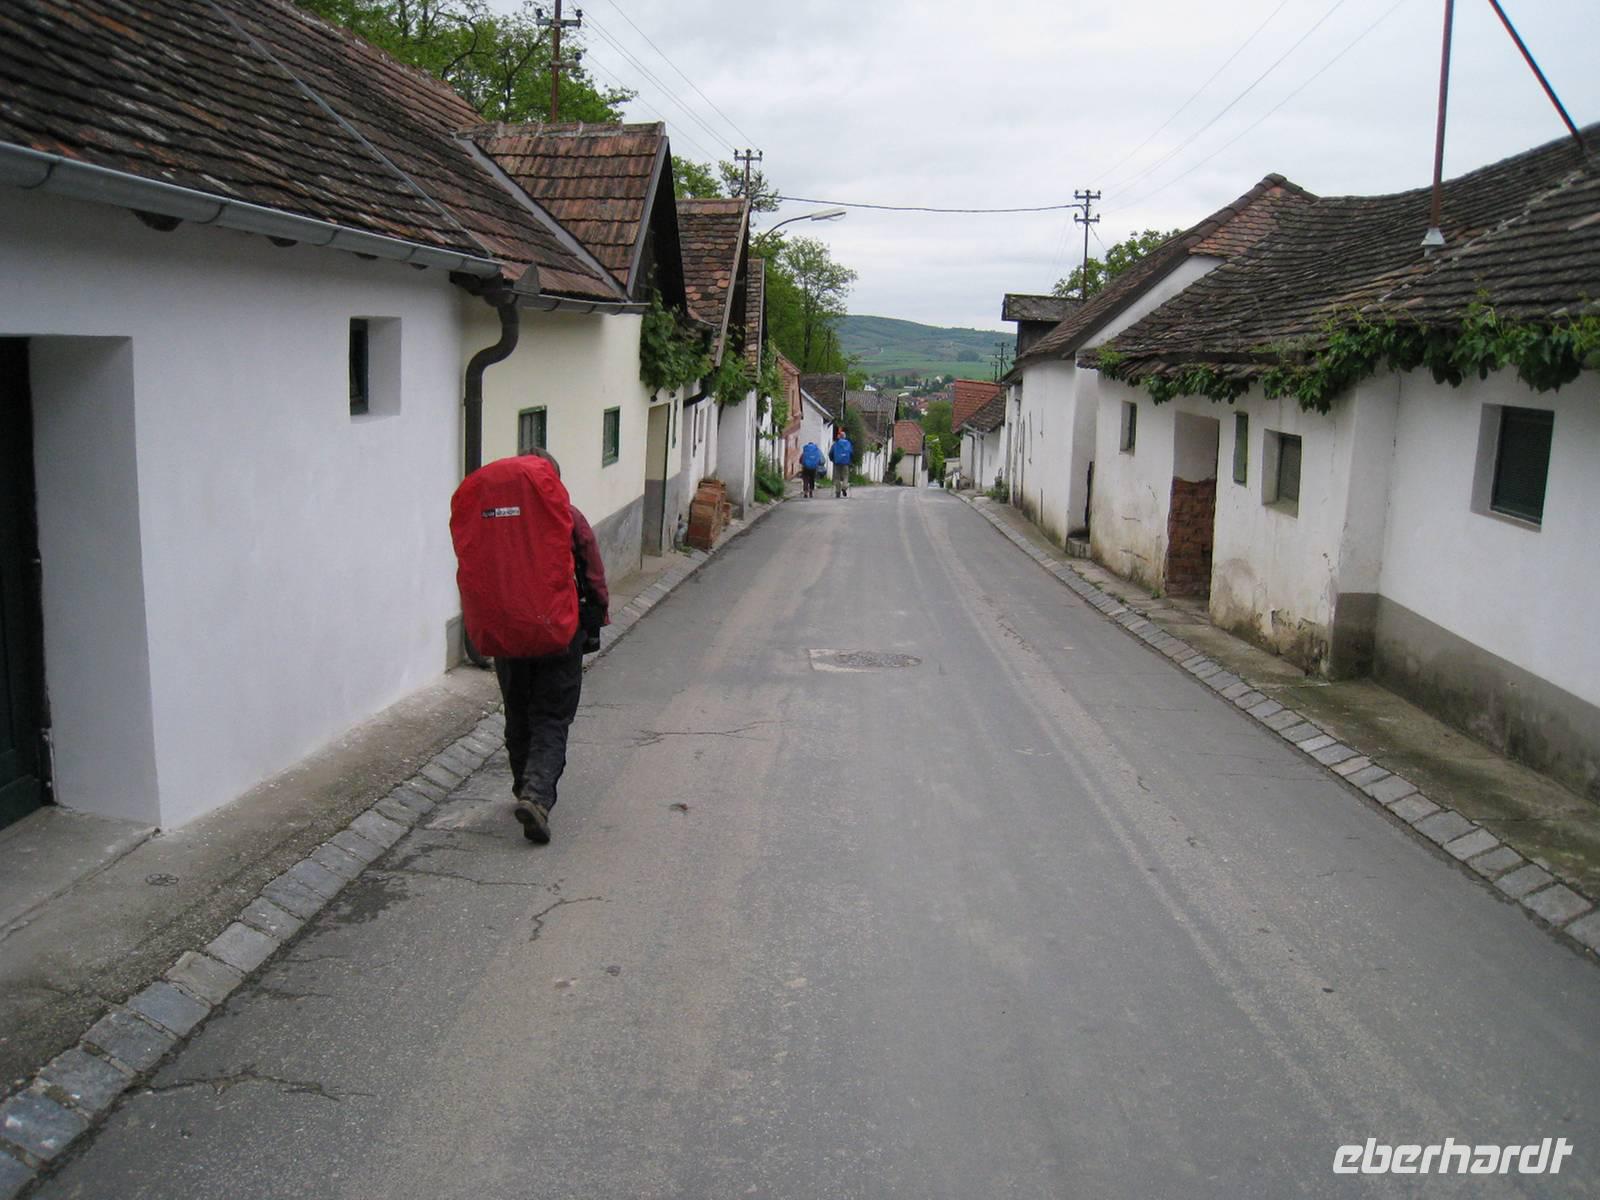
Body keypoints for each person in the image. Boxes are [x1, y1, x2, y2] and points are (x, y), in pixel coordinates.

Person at [495, 448, 609, 845]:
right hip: (559, 632)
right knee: (551, 716)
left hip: (509, 634)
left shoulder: (497, 518)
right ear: (553, 481)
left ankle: (522, 786)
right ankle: (537, 796)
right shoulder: (568, 516)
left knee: (518, 712)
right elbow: (593, 571)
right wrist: (596, 618)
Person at [829, 428, 854, 497]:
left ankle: (838, 492)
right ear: (845, 437)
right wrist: (850, 461)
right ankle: (844, 487)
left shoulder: (835, 443)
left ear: (840, 436)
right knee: (846, 476)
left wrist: (832, 460)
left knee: (837, 478)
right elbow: (851, 453)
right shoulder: (848, 444)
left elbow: (831, 453)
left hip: (837, 463)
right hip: (846, 463)